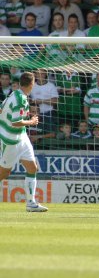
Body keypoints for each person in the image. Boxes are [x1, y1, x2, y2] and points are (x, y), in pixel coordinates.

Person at [0, 72, 48, 212]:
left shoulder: (14, 94)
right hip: (11, 140)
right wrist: (32, 122)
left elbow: (2, 109)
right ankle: (31, 202)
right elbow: (16, 123)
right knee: (3, 173)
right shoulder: (20, 99)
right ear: (31, 84)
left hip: (21, 137)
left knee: (32, 168)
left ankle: (31, 203)